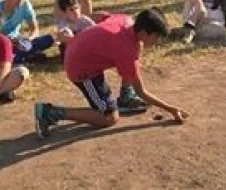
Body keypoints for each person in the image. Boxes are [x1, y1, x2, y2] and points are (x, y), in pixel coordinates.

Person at [33, 8, 190, 137]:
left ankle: (125, 96)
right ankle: (50, 113)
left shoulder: (126, 20)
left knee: (135, 53)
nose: (158, 42)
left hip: (81, 53)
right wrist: (171, 109)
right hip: (81, 69)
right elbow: (141, 92)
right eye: (156, 38)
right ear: (143, 33)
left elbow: (102, 16)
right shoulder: (126, 50)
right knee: (108, 118)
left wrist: (91, 38)